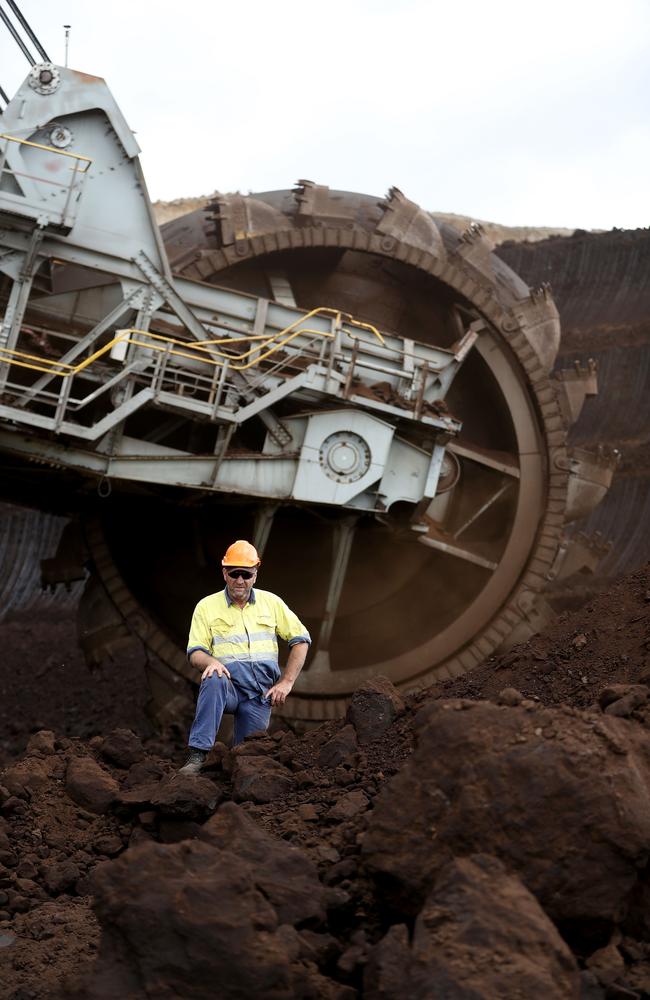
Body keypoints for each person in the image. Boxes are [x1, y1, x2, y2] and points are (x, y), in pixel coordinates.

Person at [179, 539, 311, 774]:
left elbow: (300, 640)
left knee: (249, 759)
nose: (240, 580)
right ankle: (197, 756)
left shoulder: (272, 604)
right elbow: (195, 652)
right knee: (213, 677)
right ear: (224, 573)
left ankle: (237, 796)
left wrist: (287, 683)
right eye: (234, 573)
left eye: (246, 574)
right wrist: (211, 662)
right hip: (228, 687)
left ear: (255, 574)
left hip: (259, 695)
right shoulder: (207, 607)